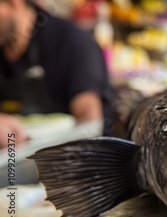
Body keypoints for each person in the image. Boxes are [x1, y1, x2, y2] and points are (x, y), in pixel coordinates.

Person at [0, 0, 113, 148]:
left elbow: (90, 122)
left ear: (14, 3)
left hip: (62, 163)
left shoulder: (72, 43)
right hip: (10, 166)